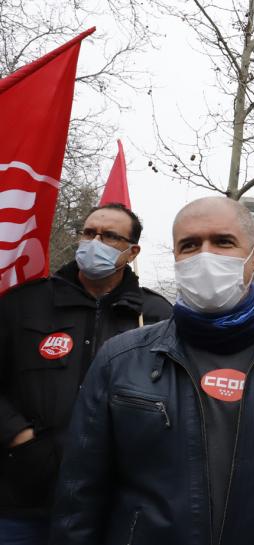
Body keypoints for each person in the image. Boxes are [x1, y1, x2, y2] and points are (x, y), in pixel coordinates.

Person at [49, 196, 254, 544]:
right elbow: (80, 494)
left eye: (223, 242)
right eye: (189, 245)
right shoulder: (120, 358)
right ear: (176, 258)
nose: (205, 255)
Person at [0, 203, 172, 544]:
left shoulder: (157, 315)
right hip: (22, 499)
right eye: (89, 232)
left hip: (111, 503)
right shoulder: (24, 303)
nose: (94, 241)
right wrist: (20, 438)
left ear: (131, 251)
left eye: (109, 236)